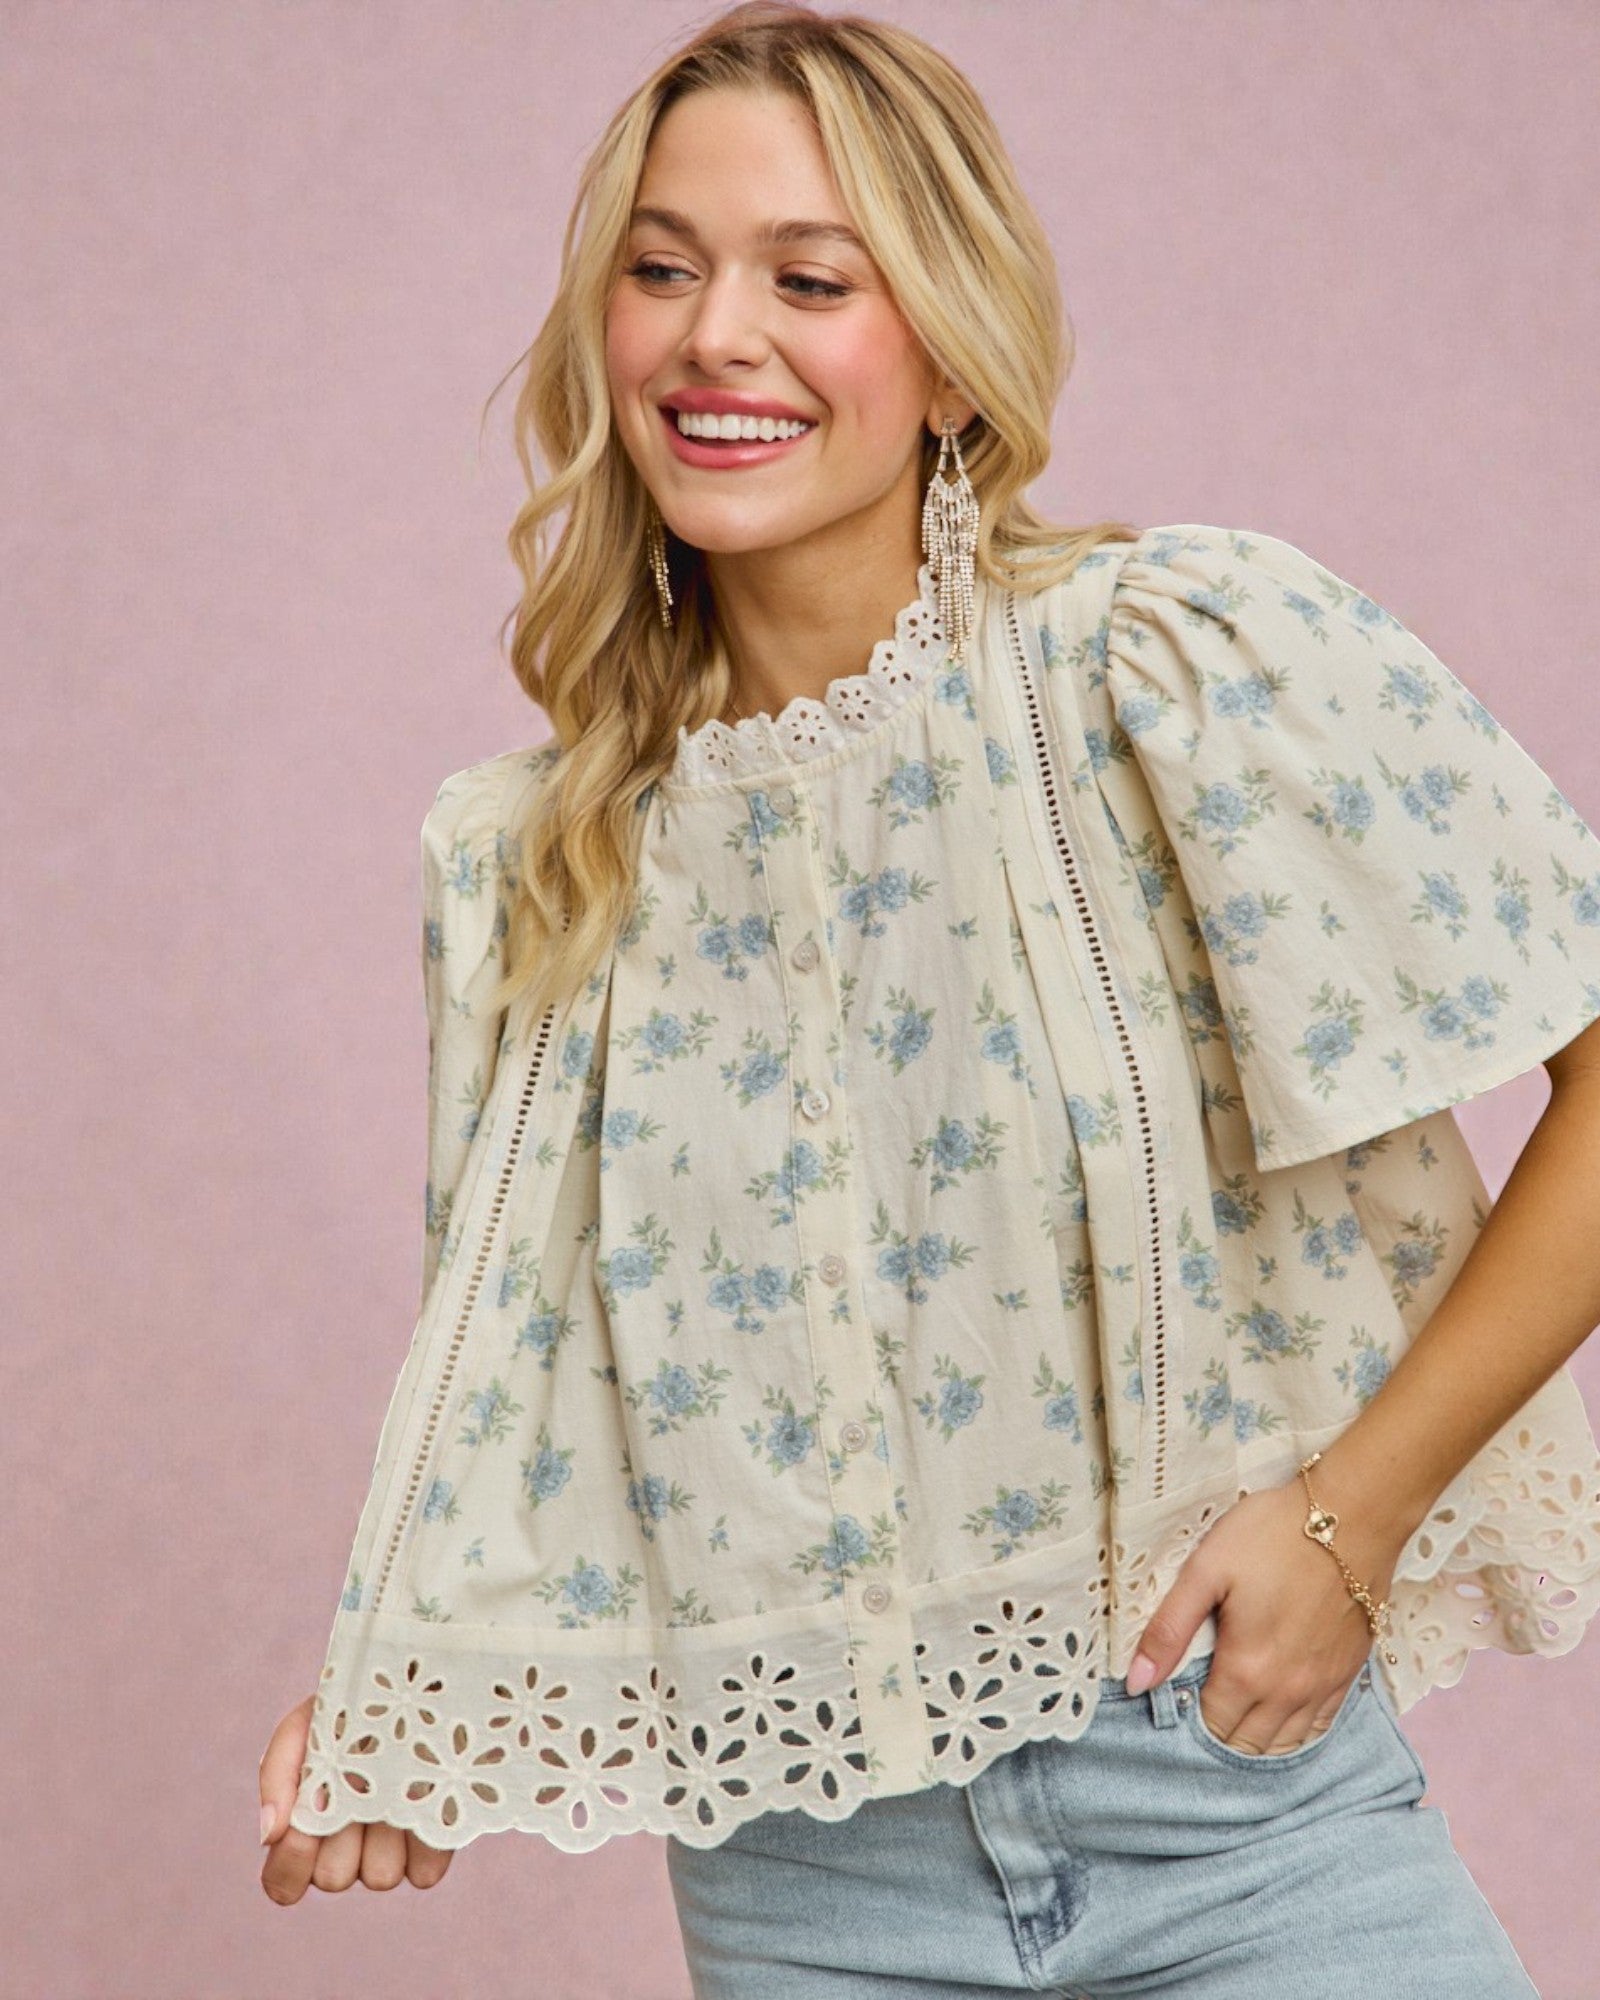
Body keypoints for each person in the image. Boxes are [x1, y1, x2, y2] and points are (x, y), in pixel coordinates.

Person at [258, 5, 1600, 1992]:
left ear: (950, 353)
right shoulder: (530, 858)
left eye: (809, 276)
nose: (717, 333)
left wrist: (1343, 1518)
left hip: (1235, 1822)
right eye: (659, 269)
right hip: (804, 1889)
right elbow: (525, 1394)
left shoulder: (1171, 675)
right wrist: (397, 1702)